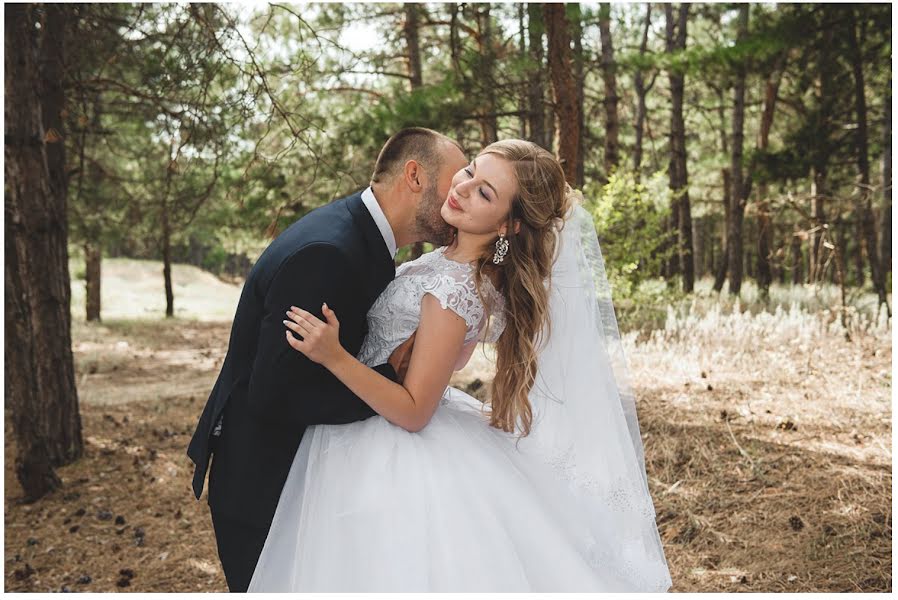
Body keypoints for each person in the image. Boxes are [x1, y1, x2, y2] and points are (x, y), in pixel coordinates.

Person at [248, 139, 673, 592]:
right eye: (471, 171)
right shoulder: (454, 265)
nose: (463, 188)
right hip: (368, 423)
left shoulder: (456, 289)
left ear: (508, 226)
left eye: (485, 193)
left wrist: (333, 356)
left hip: (387, 445)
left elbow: (413, 410)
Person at [185, 127, 469, 592]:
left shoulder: (362, 238)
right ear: (415, 176)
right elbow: (275, 392)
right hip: (264, 488)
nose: (459, 195)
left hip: (304, 478)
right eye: (455, 180)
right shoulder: (329, 252)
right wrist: (387, 382)